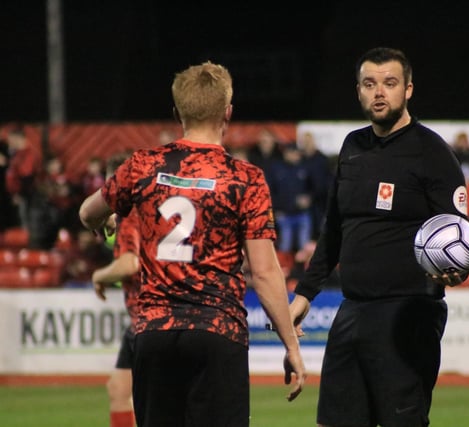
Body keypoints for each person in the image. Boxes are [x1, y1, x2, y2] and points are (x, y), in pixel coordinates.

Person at [78, 60, 306, 427]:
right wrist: (291, 345)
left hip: (153, 332)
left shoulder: (143, 164)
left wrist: (102, 218)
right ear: (228, 113)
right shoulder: (244, 178)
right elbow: (263, 272)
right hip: (218, 331)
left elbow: (88, 211)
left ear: (177, 112)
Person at [289, 47, 469, 427]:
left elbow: (457, 235)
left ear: (408, 90)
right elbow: (334, 226)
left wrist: (455, 273)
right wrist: (305, 293)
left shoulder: (432, 152)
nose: (379, 92)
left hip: (408, 315)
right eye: (370, 84)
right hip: (352, 309)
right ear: (358, 90)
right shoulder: (352, 147)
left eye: (389, 83)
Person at [91, 152, 140, 427]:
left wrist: (100, 275)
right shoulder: (128, 214)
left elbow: (129, 263)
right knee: (119, 389)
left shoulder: (133, 214)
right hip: (141, 318)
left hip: (152, 315)